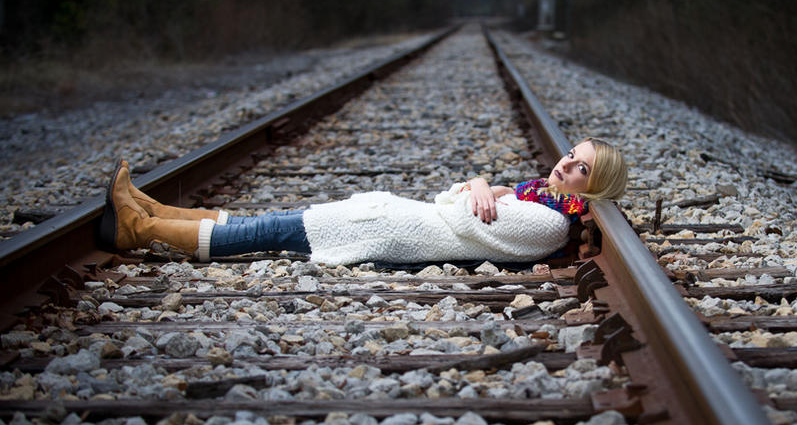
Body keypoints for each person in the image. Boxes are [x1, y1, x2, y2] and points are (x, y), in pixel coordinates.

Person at [99, 138, 628, 266]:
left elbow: (461, 211)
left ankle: (140, 231)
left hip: (382, 232)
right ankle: (149, 211)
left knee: (264, 233)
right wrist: (479, 182)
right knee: (269, 223)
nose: (566, 164)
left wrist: (477, 187)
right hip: (384, 218)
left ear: (593, 187)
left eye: (582, 168)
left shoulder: (550, 226)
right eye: (571, 155)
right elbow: (467, 198)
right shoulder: (538, 201)